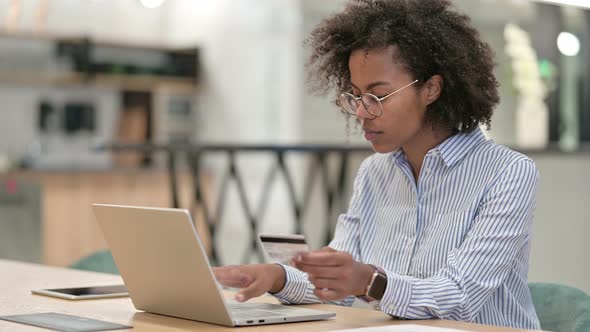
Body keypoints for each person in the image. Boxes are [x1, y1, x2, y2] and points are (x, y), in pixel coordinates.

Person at [213, 0, 541, 329]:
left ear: (431, 89)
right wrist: (277, 277)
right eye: (354, 95)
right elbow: (340, 284)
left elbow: (459, 299)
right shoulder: (375, 173)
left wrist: (369, 281)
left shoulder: (507, 173)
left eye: (377, 96)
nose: (360, 111)